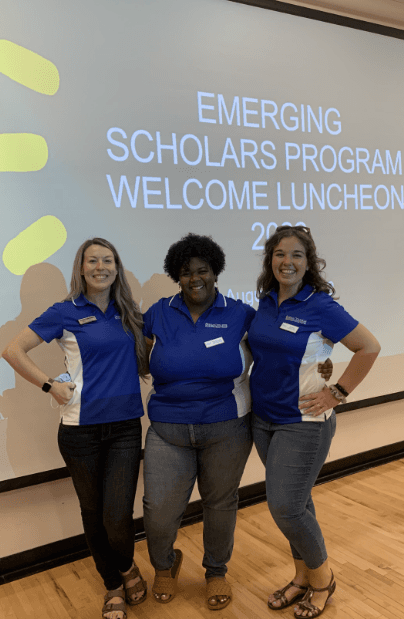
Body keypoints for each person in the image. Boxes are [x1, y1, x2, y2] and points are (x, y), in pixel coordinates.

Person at [2, 238, 148, 619]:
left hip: (125, 428)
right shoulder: (64, 311)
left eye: (108, 260)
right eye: (93, 260)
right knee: (93, 513)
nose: (101, 267)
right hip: (80, 432)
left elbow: (147, 356)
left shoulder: (129, 312)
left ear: (117, 267)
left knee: (117, 516)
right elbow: (12, 350)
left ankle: (127, 564)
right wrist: (50, 385)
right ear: (81, 268)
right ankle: (113, 583)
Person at [248, 226, 381, 619]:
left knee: (285, 506)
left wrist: (338, 392)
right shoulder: (266, 302)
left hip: (303, 422)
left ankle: (322, 580)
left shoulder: (320, 306)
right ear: (270, 259)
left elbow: (369, 346)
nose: (287, 261)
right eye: (279, 253)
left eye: (296, 255)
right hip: (264, 419)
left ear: (309, 263)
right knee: (298, 503)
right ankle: (301, 576)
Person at [141, 233, 255, 611]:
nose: (195, 278)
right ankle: (165, 564)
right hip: (167, 429)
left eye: (202, 270)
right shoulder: (158, 313)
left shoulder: (239, 313)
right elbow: (139, 358)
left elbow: (273, 353)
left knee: (220, 504)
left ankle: (216, 571)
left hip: (226, 428)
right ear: (177, 275)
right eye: (186, 272)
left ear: (215, 272)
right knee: (158, 511)